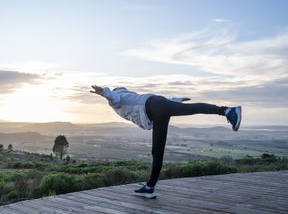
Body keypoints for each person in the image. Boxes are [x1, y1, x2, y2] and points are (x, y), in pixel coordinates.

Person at [90, 85, 241, 198]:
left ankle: (228, 111)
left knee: (191, 110)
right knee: (157, 151)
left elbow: (113, 97)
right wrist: (177, 100)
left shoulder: (118, 99)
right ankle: (149, 187)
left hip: (156, 109)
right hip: (157, 111)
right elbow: (163, 101)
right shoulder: (134, 97)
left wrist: (103, 92)